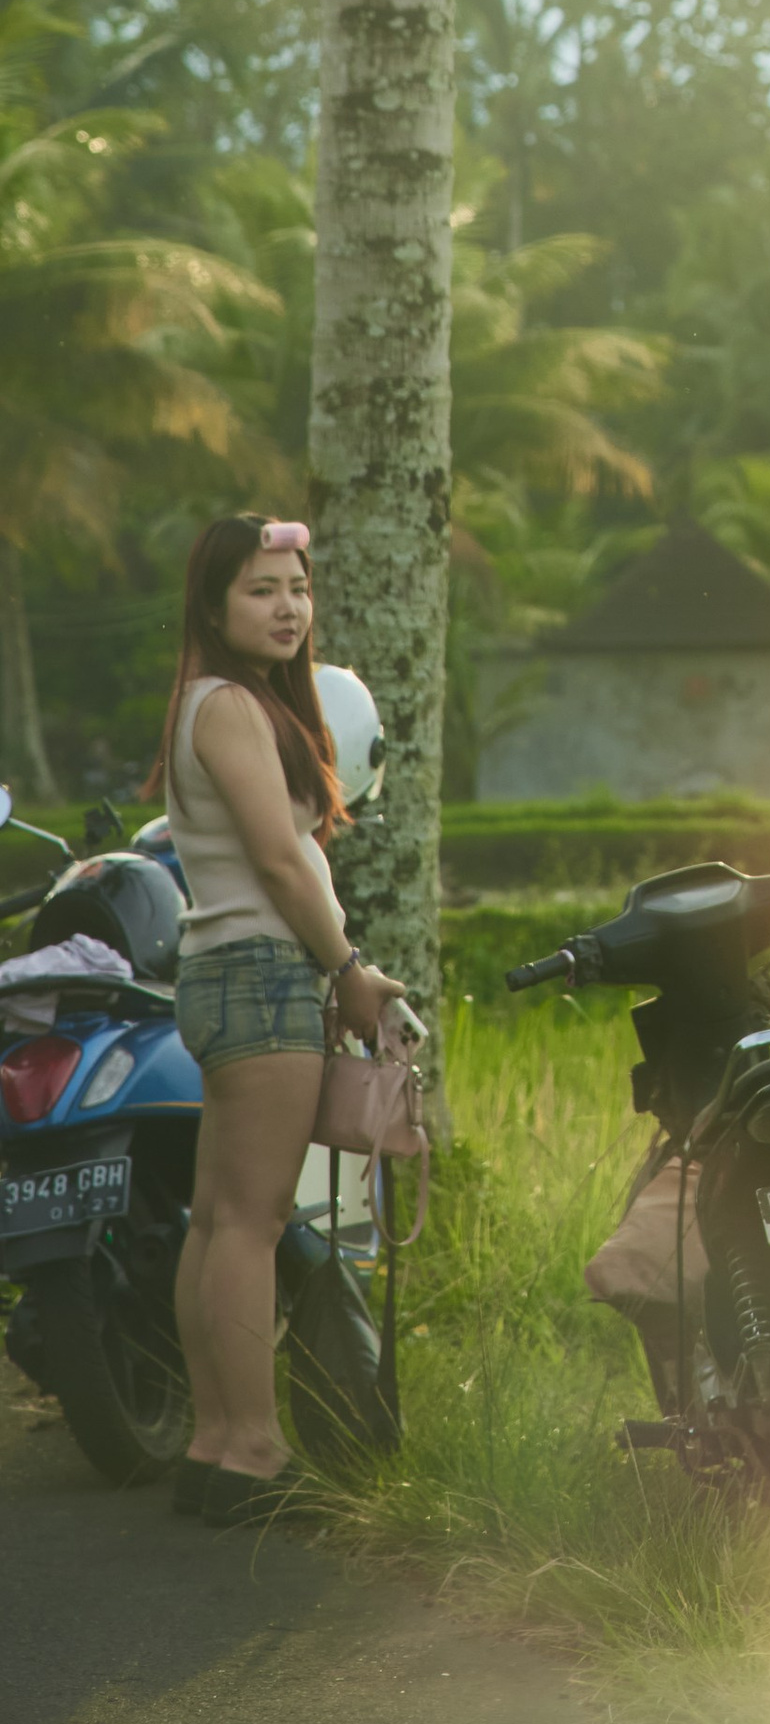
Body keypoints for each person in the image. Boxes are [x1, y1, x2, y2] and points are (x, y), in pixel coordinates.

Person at [153, 512, 410, 1527]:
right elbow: (277, 859)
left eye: (298, 587)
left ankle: (216, 1445)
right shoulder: (227, 706)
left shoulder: (219, 700)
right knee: (251, 1222)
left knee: (218, 1218)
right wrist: (348, 969)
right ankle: (254, 1447)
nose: (288, 607)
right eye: (261, 589)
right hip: (263, 975)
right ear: (213, 604)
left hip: (227, 973)